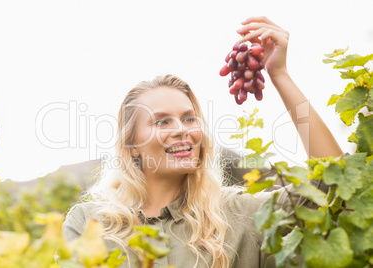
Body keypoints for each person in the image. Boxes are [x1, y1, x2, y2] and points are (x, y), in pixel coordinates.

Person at [62, 17, 343, 268]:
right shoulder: (90, 223)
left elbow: (330, 185)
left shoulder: (241, 214)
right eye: (162, 121)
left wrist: (279, 74)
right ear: (131, 144)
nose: (182, 130)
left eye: (189, 119)